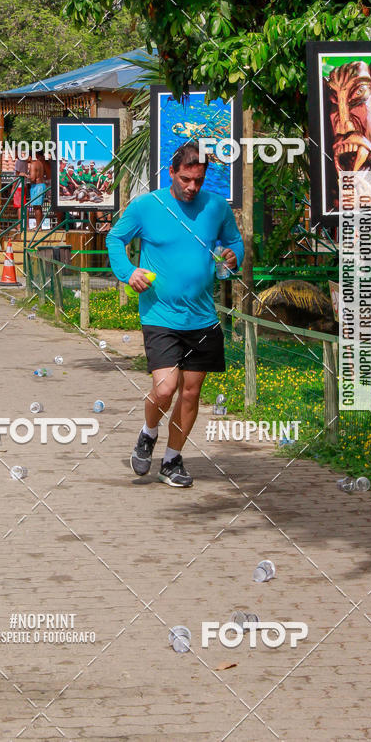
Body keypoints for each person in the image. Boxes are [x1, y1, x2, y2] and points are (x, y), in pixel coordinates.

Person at [106, 141, 244, 488]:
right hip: (160, 315)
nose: (191, 187)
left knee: (192, 393)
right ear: (171, 172)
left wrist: (232, 256)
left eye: (198, 180)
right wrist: (128, 272)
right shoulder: (147, 206)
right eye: (185, 179)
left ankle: (172, 460)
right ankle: (148, 432)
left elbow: (234, 241)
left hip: (203, 317)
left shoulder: (215, 206)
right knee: (166, 388)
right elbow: (114, 238)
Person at [28, 149, 48, 226]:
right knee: (38, 207)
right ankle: (39, 226)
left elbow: (32, 178)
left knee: (36, 207)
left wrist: (25, 175)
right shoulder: (40, 163)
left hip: (37, 186)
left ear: (30, 157)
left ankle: (38, 227)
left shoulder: (33, 164)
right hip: (41, 185)